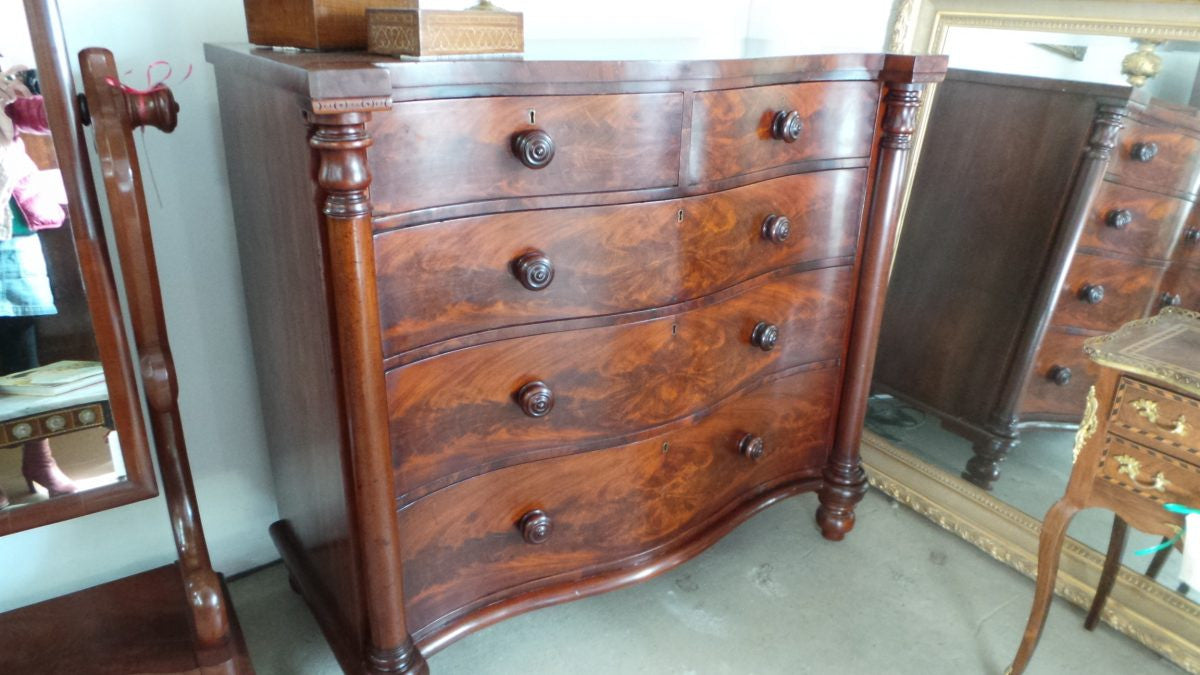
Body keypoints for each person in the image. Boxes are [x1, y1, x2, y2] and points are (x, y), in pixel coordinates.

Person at [0, 64, 75, 508]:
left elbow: (49, 118)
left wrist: (33, 82)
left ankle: (39, 456)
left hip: (12, 224)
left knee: (24, 341)